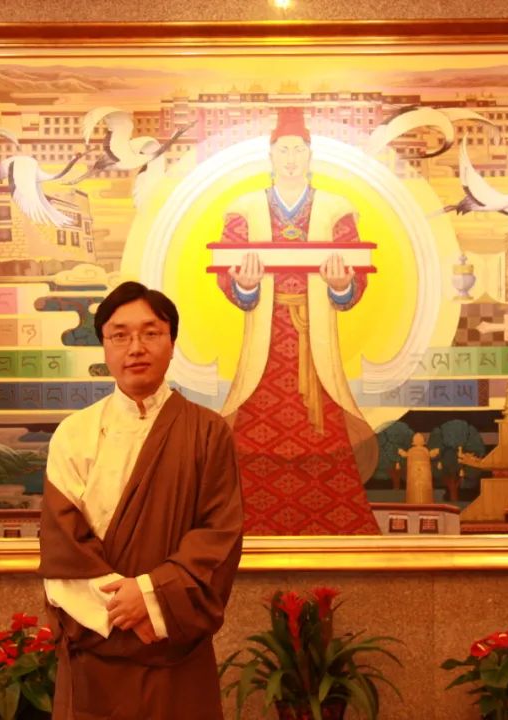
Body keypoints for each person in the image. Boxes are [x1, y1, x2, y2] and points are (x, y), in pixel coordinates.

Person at [38, 281, 244, 720]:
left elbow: (218, 537)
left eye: (151, 333)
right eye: (120, 335)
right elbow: (63, 547)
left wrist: (152, 596)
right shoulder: (73, 435)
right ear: (105, 346)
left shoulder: (208, 433)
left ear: (172, 343)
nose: (136, 347)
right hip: (98, 648)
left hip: (174, 647)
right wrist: (127, 611)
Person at [215, 107, 380, 535]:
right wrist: (245, 285)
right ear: (270, 155)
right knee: (252, 435)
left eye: (298, 150)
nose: (290, 158)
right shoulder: (245, 208)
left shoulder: (336, 209)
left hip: (315, 343)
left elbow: (355, 280)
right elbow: (226, 272)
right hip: (266, 344)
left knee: (325, 437)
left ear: (310, 155)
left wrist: (342, 285)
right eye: (283, 150)